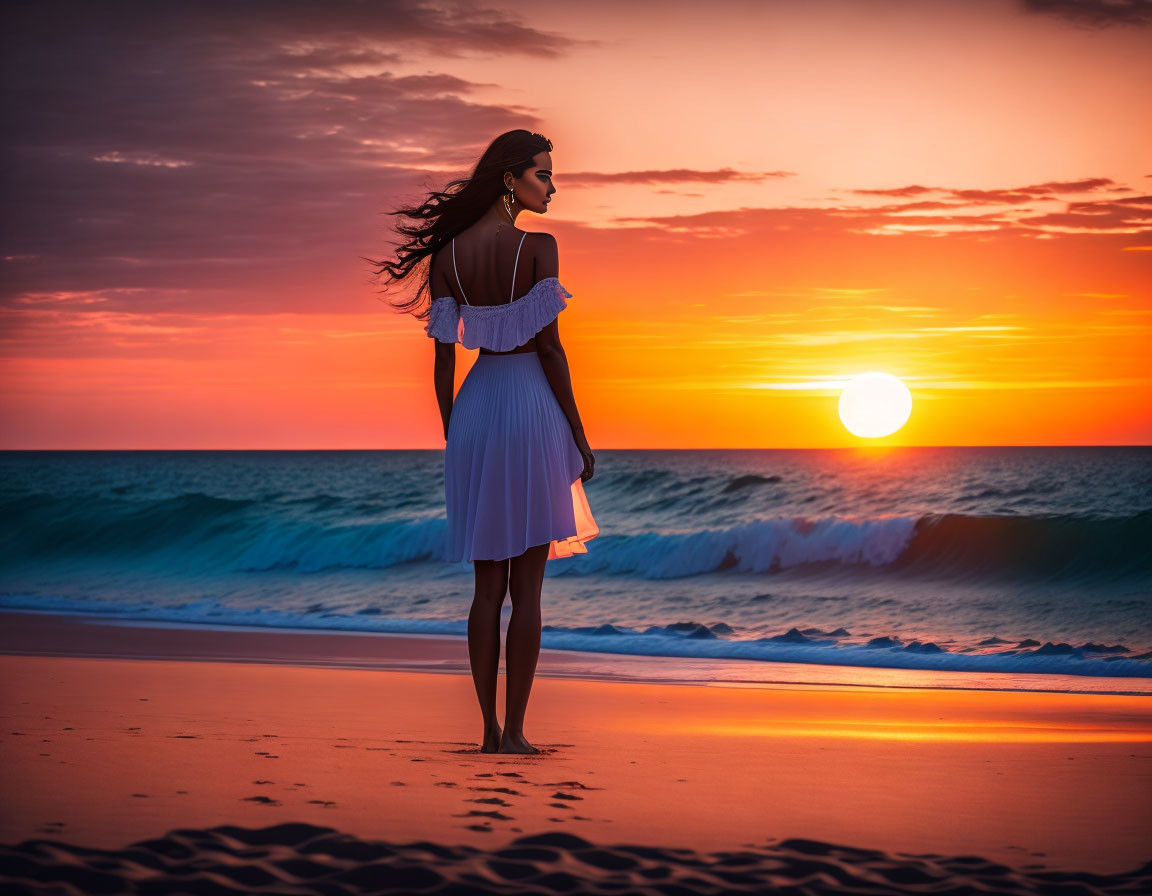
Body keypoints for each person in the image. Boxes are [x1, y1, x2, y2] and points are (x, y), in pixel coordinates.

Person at [371, 130, 598, 754]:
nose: (552, 186)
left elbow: (443, 363)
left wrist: (454, 431)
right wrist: (578, 433)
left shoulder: (447, 257)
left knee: (484, 589)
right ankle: (517, 733)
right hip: (529, 404)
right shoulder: (539, 247)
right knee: (527, 588)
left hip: (476, 406)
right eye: (544, 175)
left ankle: (487, 732)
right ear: (511, 180)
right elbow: (550, 348)